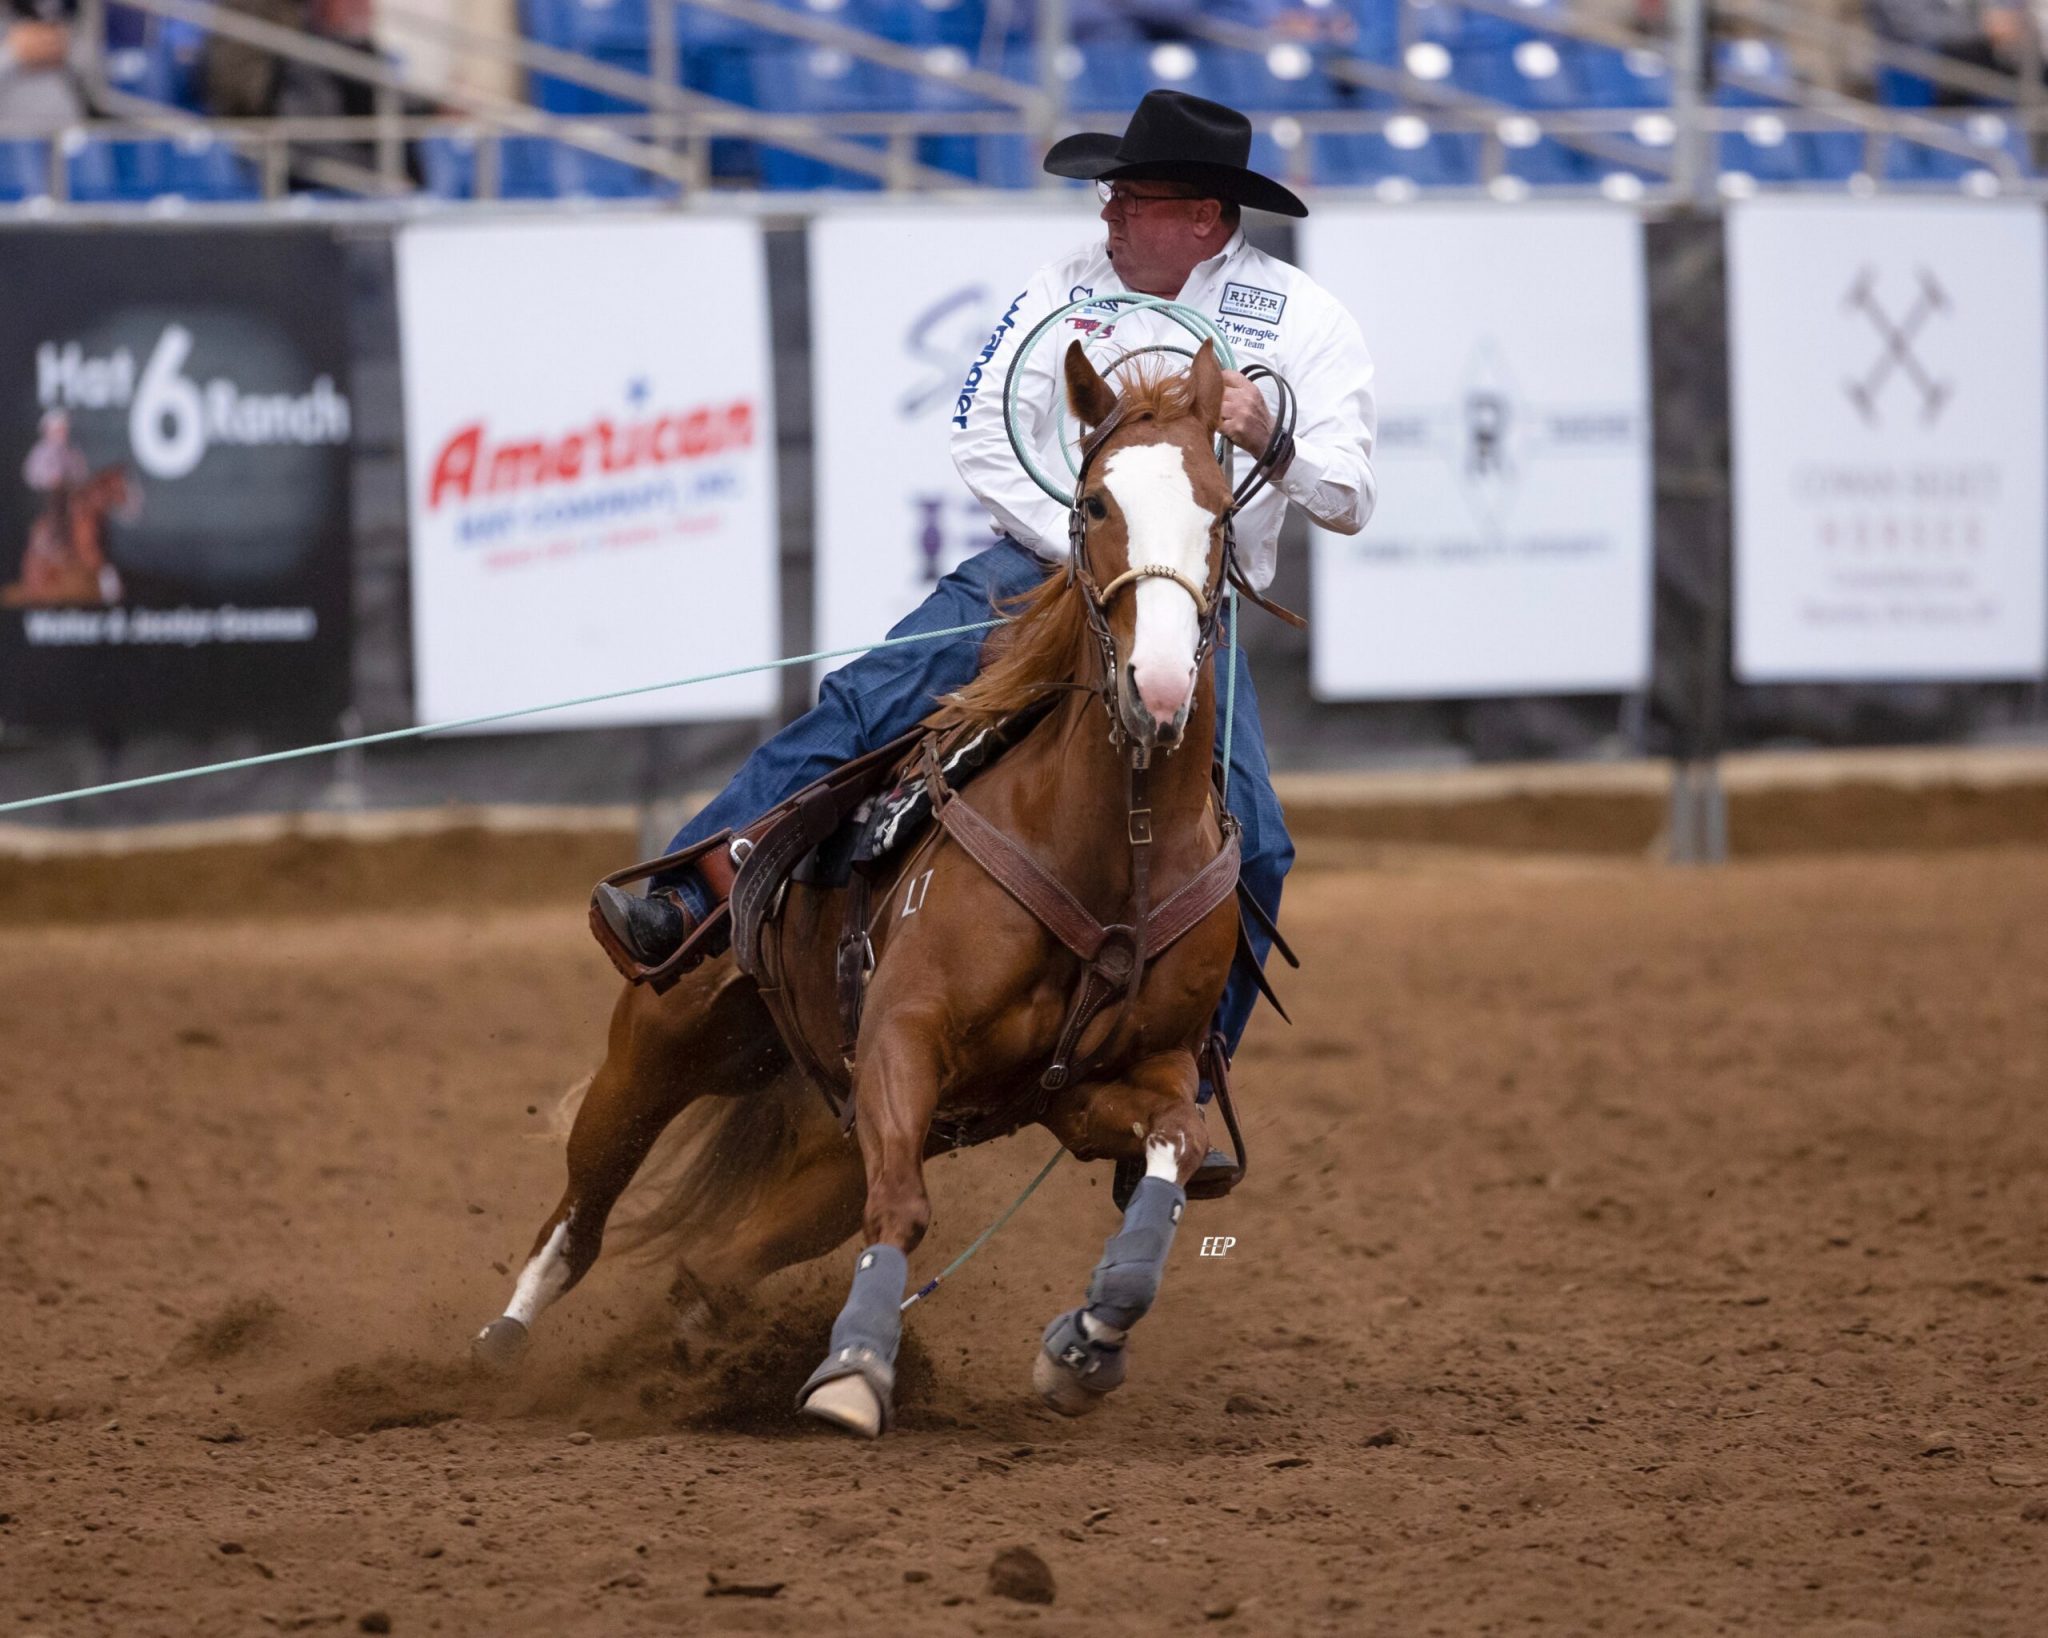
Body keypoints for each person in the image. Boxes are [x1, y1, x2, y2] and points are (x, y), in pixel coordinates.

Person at [597, 90, 1377, 1169]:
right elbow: (981, 434)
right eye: (1108, 196)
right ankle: (692, 890)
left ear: (1202, 215)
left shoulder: (1301, 321)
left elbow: (1348, 497)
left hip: (1189, 606)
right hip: (1045, 565)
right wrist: (1086, 556)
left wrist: (1267, 434)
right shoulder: (1065, 290)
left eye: (1131, 197)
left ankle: (1188, 1081)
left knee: (1260, 842)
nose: (1106, 215)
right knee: (870, 694)